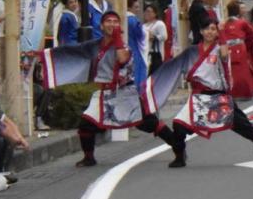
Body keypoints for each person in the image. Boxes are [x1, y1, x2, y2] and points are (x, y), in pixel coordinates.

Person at [142, 16, 253, 168]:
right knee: (179, 125)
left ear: (217, 32)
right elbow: (175, 67)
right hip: (198, 98)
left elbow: (225, 54)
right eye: (206, 29)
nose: (209, 32)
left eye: (213, 29)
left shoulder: (220, 48)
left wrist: (221, 33)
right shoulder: (192, 51)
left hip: (219, 98)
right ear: (201, 31)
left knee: (243, 126)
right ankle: (180, 157)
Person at [42, 10, 176, 166]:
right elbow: (74, 52)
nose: (112, 24)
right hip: (104, 93)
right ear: (101, 25)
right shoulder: (95, 45)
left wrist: (117, 37)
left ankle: (178, 146)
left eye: (115, 21)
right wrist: (41, 55)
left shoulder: (124, 46)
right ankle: (89, 157)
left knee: (148, 123)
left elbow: (121, 59)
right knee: (86, 124)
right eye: (108, 21)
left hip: (124, 93)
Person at [219, 0, 253, 98]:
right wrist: (250, 45)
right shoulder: (242, 23)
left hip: (227, 48)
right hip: (240, 48)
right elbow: (252, 34)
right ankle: (244, 92)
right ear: (237, 11)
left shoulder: (224, 24)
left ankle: (231, 92)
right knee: (243, 71)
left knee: (229, 70)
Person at [126, 0, 148, 86]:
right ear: (129, 7)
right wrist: (147, 33)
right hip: (136, 49)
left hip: (128, 47)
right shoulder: (134, 20)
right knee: (138, 72)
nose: (138, 9)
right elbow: (140, 35)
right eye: (136, 7)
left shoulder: (125, 18)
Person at [142, 4, 168, 74]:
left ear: (155, 13)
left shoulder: (159, 24)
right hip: (146, 53)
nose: (147, 14)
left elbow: (164, 36)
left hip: (156, 53)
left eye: (149, 12)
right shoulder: (143, 25)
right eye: (146, 11)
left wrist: (153, 37)